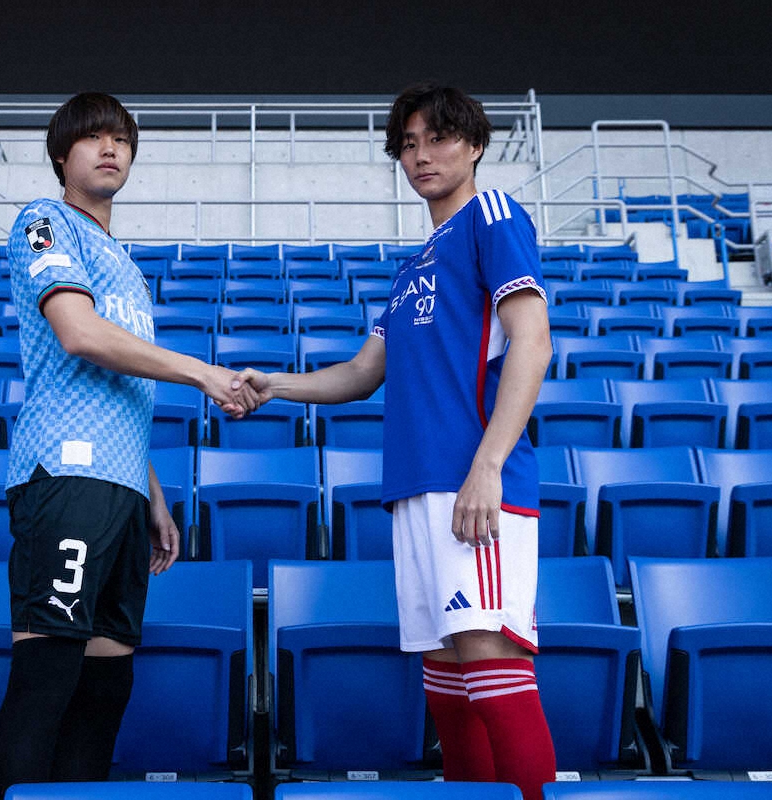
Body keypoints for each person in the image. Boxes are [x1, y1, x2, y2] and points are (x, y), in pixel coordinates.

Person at [235, 83, 556, 800]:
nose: (421, 156)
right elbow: (361, 373)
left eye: (438, 139)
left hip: (473, 483)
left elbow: (533, 342)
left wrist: (488, 466)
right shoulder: (412, 266)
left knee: (493, 664)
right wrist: (273, 385)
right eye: (408, 145)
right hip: (415, 488)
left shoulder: (493, 217)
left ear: (475, 145)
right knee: (448, 680)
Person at [0, 92, 257, 800]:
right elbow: (79, 334)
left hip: (122, 490)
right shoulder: (44, 223)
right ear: (61, 156)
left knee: (107, 681)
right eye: (92, 137)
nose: (110, 148)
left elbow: (124, 392)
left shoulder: (126, 266)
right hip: (65, 474)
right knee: (47, 675)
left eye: (121, 140)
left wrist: (153, 496)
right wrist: (202, 372)